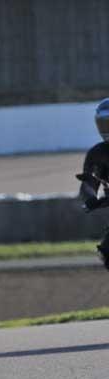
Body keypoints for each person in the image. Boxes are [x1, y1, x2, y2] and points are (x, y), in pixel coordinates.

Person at [77, 98, 109, 269]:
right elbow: (87, 183)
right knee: (107, 251)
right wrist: (90, 199)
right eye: (104, 123)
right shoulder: (97, 154)